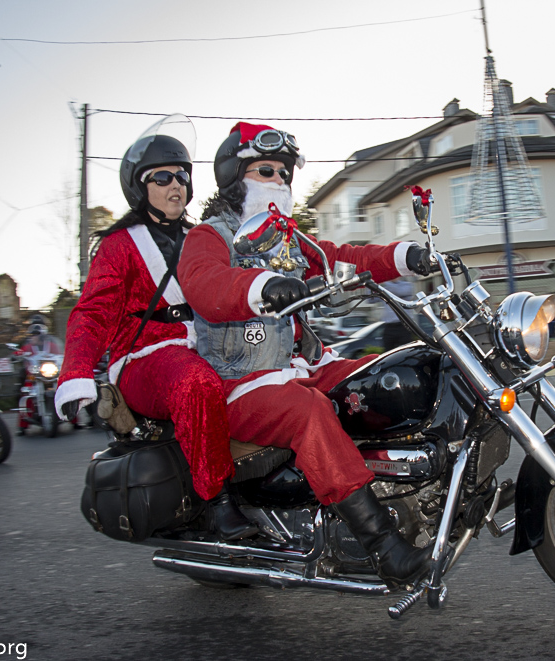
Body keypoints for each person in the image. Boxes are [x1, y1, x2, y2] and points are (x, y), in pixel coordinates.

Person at [179, 122, 436, 587]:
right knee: (309, 412)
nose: (279, 180)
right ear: (235, 178)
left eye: (284, 173)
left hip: (304, 365)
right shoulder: (208, 236)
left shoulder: (289, 241)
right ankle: (383, 546)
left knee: (386, 377)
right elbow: (204, 285)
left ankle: (424, 488)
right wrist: (262, 285)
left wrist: (405, 257)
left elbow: (346, 257)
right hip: (241, 382)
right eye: (266, 171)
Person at [53, 115, 255, 541]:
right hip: (145, 356)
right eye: (161, 177)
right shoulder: (119, 245)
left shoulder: (205, 237)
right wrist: (75, 374)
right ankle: (218, 502)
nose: (175, 184)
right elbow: (92, 313)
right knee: (196, 385)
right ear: (139, 187)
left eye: (182, 175)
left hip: (208, 346)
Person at [380, 278, 417, 351]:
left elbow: (398, 291)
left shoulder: (406, 285)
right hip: (389, 327)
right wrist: (370, 285)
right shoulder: (384, 289)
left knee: (406, 351)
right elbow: (370, 300)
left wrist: (381, 284)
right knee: (388, 352)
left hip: (403, 326)